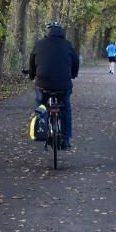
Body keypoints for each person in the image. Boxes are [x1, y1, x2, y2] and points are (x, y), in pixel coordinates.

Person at [28, 21, 79, 150]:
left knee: (40, 105)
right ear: (62, 32)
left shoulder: (39, 45)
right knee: (66, 108)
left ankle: (41, 129)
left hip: (42, 85)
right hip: (63, 85)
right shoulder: (68, 45)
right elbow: (75, 62)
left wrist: (31, 75)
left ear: (47, 32)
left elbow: (32, 63)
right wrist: (73, 74)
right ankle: (66, 139)